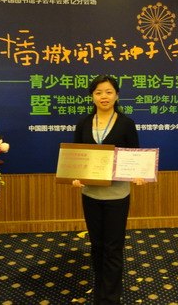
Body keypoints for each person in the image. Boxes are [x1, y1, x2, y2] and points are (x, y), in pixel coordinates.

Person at [72, 75, 145, 305]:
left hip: (117, 195)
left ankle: (110, 299)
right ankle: (100, 289)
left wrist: (138, 174)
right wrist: (76, 177)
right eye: (98, 92)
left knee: (113, 247)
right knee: (97, 245)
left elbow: (135, 155)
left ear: (116, 95)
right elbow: (76, 156)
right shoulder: (84, 123)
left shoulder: (126, 123)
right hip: (90, 194)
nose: (104, 96)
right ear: (92, 97)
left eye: (109, 92)